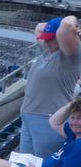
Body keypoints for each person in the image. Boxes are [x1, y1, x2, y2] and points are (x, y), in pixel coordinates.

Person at [19, 16, 80, 159]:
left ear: (61, 37)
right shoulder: (49, 49)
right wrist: (52, 27)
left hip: (47, 120)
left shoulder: (70, 55)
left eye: (50, 38)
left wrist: (74, 29)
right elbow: (39, 27)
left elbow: (67, 23)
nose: (45, 41)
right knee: (26, 166)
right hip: (28, 118)